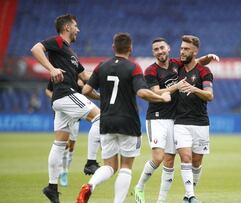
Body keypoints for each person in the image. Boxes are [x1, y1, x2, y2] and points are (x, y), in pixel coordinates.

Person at [76, 32, 171, 203]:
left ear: (114, 47)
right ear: (130, 48)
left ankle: (90, 185)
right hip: (128, 122)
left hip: (106, 121)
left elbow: (85, 90)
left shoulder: (101, 66)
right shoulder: (133, 67)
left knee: (109, 166)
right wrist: (161, 97)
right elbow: (142, 92)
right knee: (126, 167)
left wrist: (102, 98)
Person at [134, 37, 219, 203]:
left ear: (168, 49)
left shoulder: (176, 64)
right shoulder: (150, 71)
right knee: (158, 158)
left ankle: (161, 200)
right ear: (153, 53)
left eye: (162, 48)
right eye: (156, 49)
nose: (159, 51)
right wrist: (177, 86)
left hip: (174, 119)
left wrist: (208, 57)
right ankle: (139, 186)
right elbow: (156, 92)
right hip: (157, 118)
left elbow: (195, 62)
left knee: (169, 160)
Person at [30, 14, 101, 203]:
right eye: (76, 26)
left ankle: (52, 187)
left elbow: (86, 78)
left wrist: (106, 93)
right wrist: (51, 69)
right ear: (67, 27)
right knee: (101, 118)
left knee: (60, 143)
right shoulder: (58, 42)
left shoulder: (71, 53)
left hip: (63, 100)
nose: (78, 30)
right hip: (65, 94)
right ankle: (91, 162)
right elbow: (36, 48)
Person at [175, 35, 214, 203]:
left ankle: (188, 195)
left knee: (196, 162)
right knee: (185, 157)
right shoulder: (176, 67)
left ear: (195, 51)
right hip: (180, 122)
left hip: (200, 122)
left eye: (186, 49)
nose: (182, 51)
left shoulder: (204, 72)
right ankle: (191, 196)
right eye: (181, 48)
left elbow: (209, 95)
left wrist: (193, 89)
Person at [45, 79, 101, 187]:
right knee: (62, 144)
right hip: (63, 111)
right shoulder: (59, 74)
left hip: (77, 114)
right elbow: (48, 90)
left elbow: (85, 92)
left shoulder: (79, 78)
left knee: (71, 146)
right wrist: (55, 97)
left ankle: (65, 171)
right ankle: (58, 174)